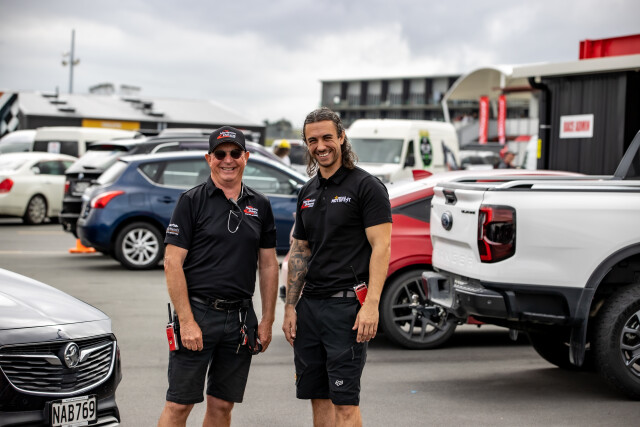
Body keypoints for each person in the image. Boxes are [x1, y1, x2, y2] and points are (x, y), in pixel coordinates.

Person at [158, 126, 279, 427]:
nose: (228, 160)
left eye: (235, 153)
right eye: (220, 154)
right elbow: (172, 263)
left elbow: (268, 265)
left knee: (223, 405)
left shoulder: (260, 204)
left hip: (240, 318)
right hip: (198, 313)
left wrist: (267, 319)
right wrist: (187, 321)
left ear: (246, 157)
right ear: (209, 158)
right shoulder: (191, 201)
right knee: (179, 405)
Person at [282, 107, 392, 426]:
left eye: (327, 137)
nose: (321, 146)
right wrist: (290, 307)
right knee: (318, 397)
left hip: (346, 310)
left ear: (342, 137)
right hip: (310, 308)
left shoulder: (367, 186)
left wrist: (371, 306)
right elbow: (300, 249)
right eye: (312, 140)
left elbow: (382, 248)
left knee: (345, 402)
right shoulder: (308, 191)